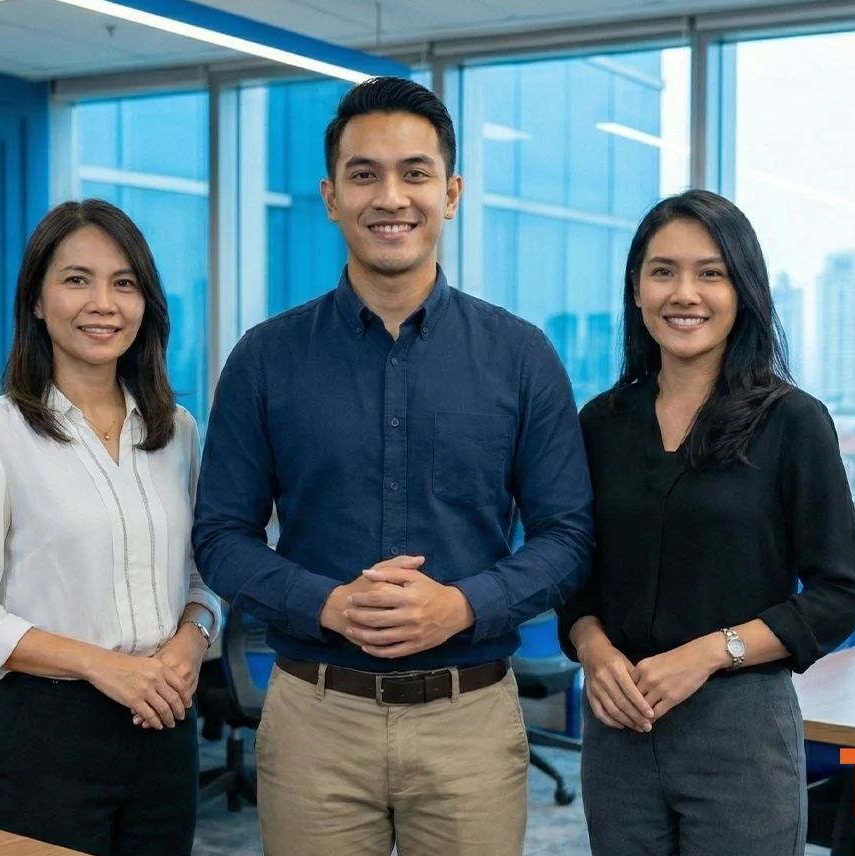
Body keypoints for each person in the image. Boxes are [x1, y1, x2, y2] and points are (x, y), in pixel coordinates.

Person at [192, 76, 594, 856]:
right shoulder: (265, 359)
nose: (390, 197)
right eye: (364, 174)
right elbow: (219, 536)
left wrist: (464, 606)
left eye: (414, 173)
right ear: (331, 197)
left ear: (451, 194)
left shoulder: (520, 357)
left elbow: (569, 536)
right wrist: (327, 604)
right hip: (315, 720)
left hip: (469, 721)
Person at [556, 189, 855, 856]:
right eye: (662, 271)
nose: (684, 294)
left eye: (711, 273)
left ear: (742, 291)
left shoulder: (792, 422)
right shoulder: (602, 423)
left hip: (739, 728)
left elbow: (840, 593)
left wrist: (704, 655)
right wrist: (593, 650)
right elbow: (577, 578)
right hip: (619, 724)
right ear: (636, 289)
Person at [0, 199, 221, 856]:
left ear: (146, 302)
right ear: (36, 300)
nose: (103, 304)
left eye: (124, 283)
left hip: (165, 717)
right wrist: (103, 667)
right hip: (48, 731)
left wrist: (190, 643)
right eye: (77, 280)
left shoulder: (178, 430)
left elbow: (203, 574)